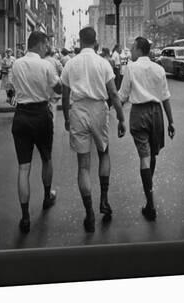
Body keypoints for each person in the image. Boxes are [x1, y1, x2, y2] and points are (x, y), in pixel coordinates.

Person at [61, 27, 126, 233]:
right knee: (104, 153)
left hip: (78, 110)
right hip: (99, 109)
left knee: (83, 166)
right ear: (95, 41)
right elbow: (114, 94)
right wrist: (121, 119)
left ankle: (89, 213)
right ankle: (104, 200)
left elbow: (64, 95)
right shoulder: (103, 63)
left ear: (80, 41)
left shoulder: (70, 64)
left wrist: (66, 117)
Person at [118, 36, 175, 221]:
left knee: (144, 156)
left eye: (133, 48)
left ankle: (150, 204)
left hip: (139, 114)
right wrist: (171, 122)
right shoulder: (159, 69)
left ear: (139, 49)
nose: (131, 51)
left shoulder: (131, 68)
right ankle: (150, 190)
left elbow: (123, 95)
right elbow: (165, 97)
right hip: (157, 113)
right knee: (152, 155)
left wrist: (111, 109)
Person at [11, 31, 62, 233]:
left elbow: (12, 86)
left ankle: (25, 217)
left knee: (24, 168)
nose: (46, 48)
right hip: (41, 113)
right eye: (46, 44)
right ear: (40, 45)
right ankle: (47, 197)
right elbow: (58, 89)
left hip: (21, 115)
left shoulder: (16, 64)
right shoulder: (46, 65)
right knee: (46, 158)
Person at [44, 45, 63, 122]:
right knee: (52, 107)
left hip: (43, 87)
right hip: (54, 86)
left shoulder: (41, 60)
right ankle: (51, 125)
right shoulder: (55, 61)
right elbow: (63, 72)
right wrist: (59, 80)